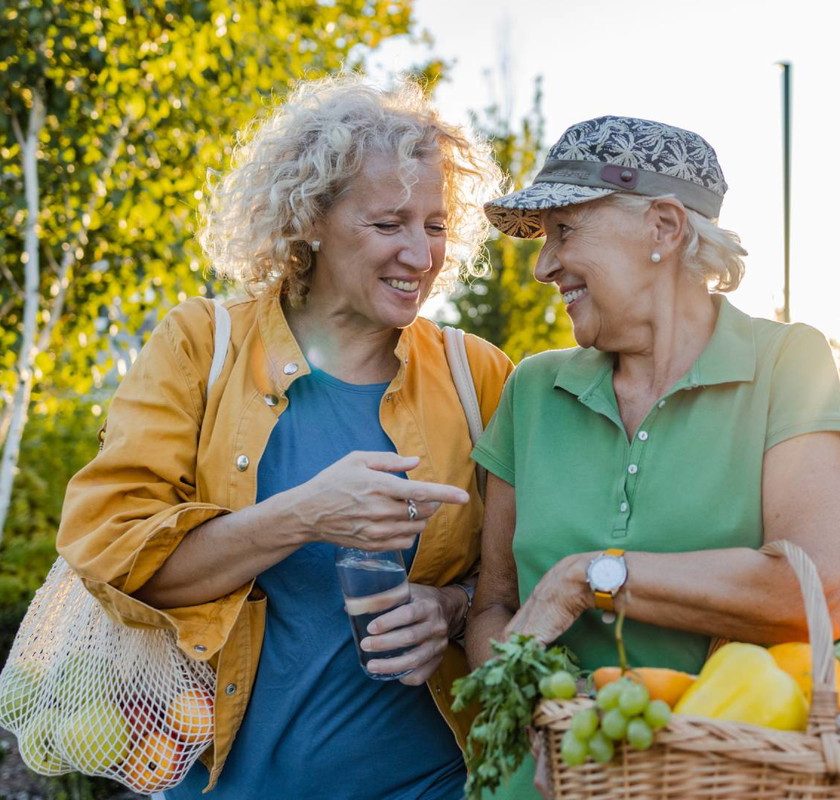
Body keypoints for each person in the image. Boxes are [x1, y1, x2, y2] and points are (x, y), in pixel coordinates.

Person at [56, 75, 512, 799]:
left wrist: (450, 609)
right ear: (310, 219)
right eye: (388, 223)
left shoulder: (476, 372)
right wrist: (306, 514)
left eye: (435, 225)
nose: (421, 256)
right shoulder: (202, 344)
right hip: (225, 781)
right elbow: (115, 558)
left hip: (433, 779)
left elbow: (516, 574)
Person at [465, 116, 840, 798]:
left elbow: (820, 589)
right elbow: (492, 606)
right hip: (539, 781)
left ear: (664, 228)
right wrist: (528, 708)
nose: (543, 266)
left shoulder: (784, 364)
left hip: (711, 777)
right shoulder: (533, 389)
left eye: (566, 231)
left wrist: (587, 579)